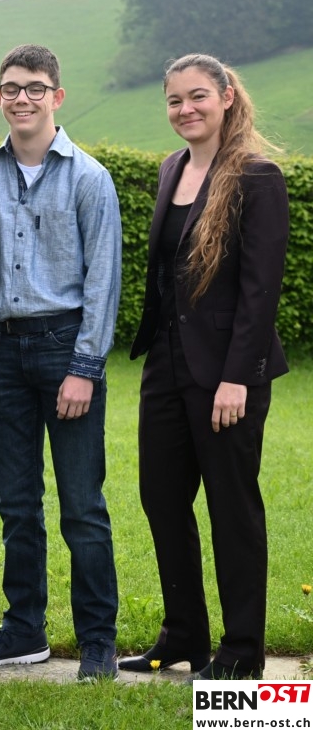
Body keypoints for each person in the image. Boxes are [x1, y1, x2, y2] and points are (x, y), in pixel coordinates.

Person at [0, 44, 122, 680]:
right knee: (16, 505)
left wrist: (85, 368)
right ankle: (23, 630)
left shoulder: (89, 178)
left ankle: (98, 640)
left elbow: (103, 280)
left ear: (57, 96)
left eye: (34, 87)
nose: (21, 98)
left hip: (63, 350)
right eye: (10, 88)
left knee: (82, 505)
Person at [119, 54, 289, 681]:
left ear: (225, 97)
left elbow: (259, 291)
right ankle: (184, 634)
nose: (185, 109)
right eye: (174, 100)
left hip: (228, 373)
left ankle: (242, 651)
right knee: (161, 499)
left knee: (231, 508)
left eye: (197, 97)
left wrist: (236, 377)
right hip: (166, 364)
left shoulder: (256, 177)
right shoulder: (172, 168)